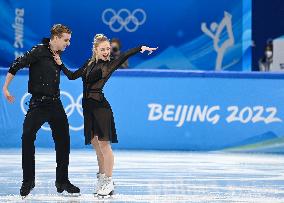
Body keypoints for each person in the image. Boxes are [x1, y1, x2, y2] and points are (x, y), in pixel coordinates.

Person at [55, 34, 157, 197]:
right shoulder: (89, 63)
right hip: (88, 108)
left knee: (104, 146)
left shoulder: (109, 65)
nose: (106, 52)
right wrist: (61, 65)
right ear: (95, 50)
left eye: (108, 49)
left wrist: (140, 48)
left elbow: (124, 55)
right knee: (96, 145)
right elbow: (72, 76)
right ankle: (102, 177)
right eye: (103, 49)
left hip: (101, 109)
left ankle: (108, 181)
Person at [2, 24, 80, 197]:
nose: (68, 44)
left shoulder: (57, 55)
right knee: (27, 137)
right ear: (56, 37)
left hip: (56, 104)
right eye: (66, 40)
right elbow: (16, 64)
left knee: (64, 141)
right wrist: (5, 88)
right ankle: (28, 181)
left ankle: (62, 181)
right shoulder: (38, 51)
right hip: (38, 104)